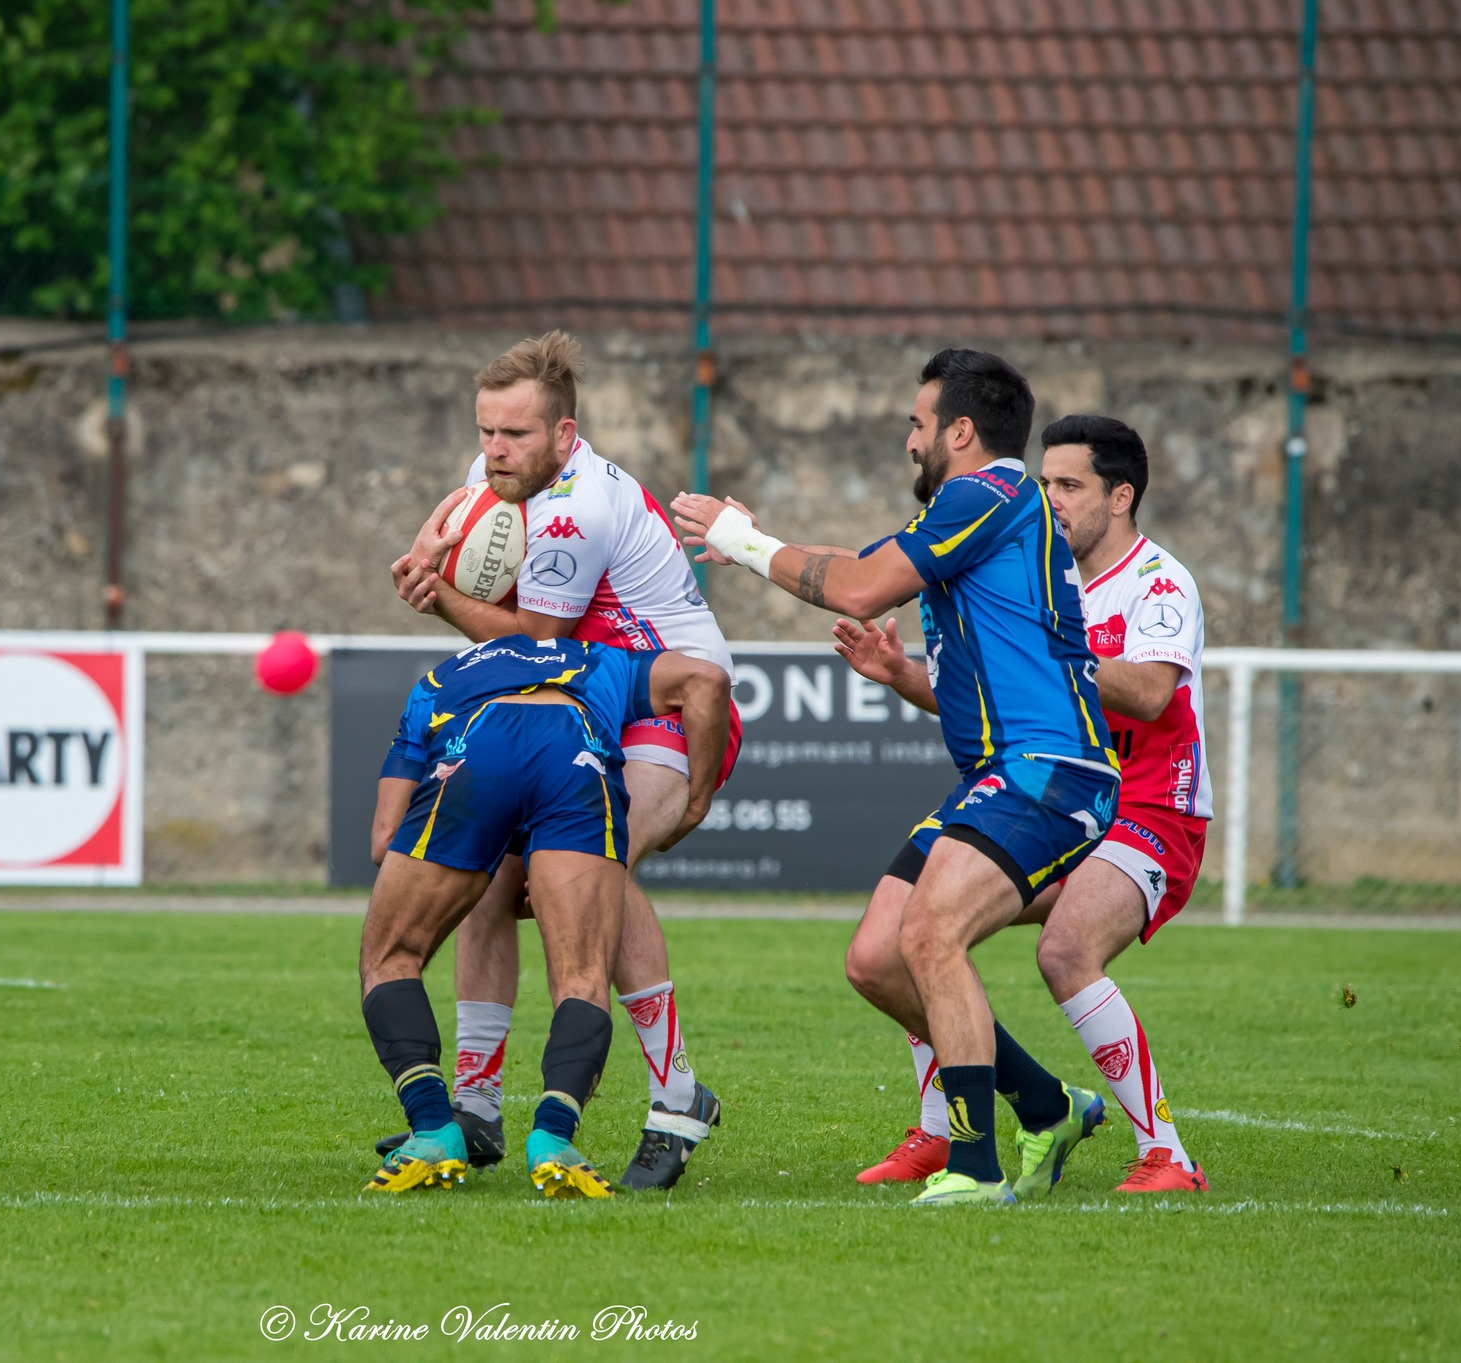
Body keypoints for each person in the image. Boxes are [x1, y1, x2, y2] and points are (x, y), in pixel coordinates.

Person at [670, 349, 1118, 1206]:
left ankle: (977, 1166)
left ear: (959, 431)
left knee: (930, 936)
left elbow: (864, 587)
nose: (909, 440)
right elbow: (858, 562)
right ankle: (1048, 1103)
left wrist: (741, 539)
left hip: (1051, 769)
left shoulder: (986, 492)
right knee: (878, 957)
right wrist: (760, 545)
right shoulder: (981, 513)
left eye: (919, 424)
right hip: (1005, 768)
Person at [382, 331, 737, 1190]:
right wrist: (433, 553)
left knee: (590, 870)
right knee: (487, 873)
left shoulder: (575, 509)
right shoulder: (491, 480)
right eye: (487, 433)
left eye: (517, 437)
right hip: (580, 706)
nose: (496, 453)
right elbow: (476, 549)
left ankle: (677, 1089)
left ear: (565, 436)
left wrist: (443, 600)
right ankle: (473, 1102)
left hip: (667, 706)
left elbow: (534, 645)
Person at [841, 415, 1211, 1193]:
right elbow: (1003, 705)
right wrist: (904, 675)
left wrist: (1052, 651)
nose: (1052, 499)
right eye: (1046, 483)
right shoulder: (1040, 569)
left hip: (1146, 806)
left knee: (1063, 950)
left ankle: (1167, 1155)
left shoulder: (1159, 582)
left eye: (1070, 486)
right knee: (897, 940)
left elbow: (1147, 694)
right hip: (1050, 789)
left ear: (1121, 497)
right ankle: (973, 1124)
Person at [360, 634, 729, 1199]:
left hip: (474, 747)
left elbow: (385, 840)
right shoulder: (599, 658)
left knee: (390, 959)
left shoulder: (439, 679)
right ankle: (553, 1138)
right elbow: (708, 681)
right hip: (573, 750)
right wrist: (698, 800)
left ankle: (437, 1126)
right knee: (582, 974)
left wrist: (476, 851)